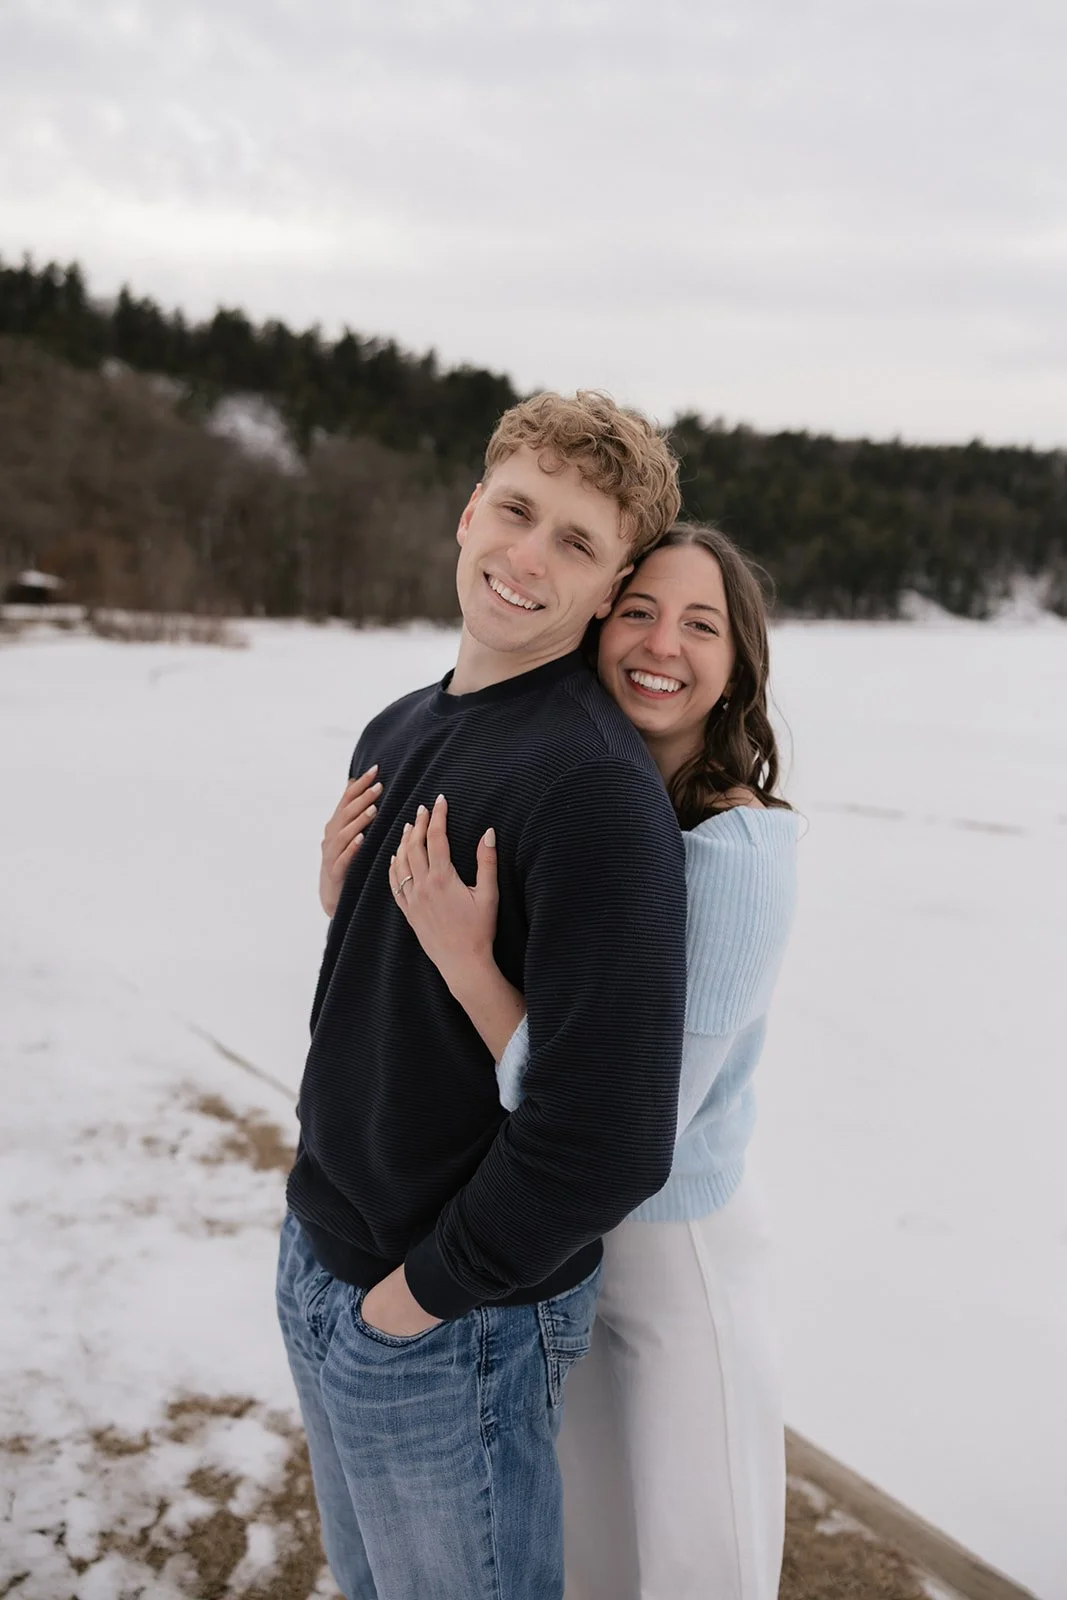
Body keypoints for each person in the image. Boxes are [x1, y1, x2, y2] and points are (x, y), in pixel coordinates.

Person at [279, 391, 689, 1600]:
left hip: (452, 1318)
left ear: (610, 589)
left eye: (576, 541)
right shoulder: (400, 723)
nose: (528, 555)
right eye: (516, 510)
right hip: (323, 1252)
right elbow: (396, 994)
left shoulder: (592, 787)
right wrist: (336, 899)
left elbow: (607, 1138)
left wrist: (417, 1303)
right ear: (467, 514)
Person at [359, 522, 798, 1600]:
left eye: (700, 624)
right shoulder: (595, 800)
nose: (661, 643)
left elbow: (623, 1118)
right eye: (639, 609)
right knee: (591, 1561)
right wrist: (351, 903)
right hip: (561, 1241)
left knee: (701, 1566)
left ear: (736, 666)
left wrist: (467, 962)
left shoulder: (731, 854)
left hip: (670, 1249)